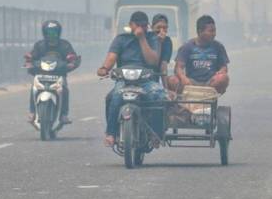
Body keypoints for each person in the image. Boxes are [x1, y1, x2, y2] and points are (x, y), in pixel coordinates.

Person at [97, 11, 165, 146]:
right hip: (124, 80)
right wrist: (104, 68)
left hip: (146, 81)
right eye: (137, 25)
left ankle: (155, 133)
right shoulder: (121, 39)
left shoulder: (152, 38)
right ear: (130, 25)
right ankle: (111, 133)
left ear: (148, 26)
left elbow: (152, 61)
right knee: (113, 97)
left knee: (158, 97)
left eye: (144, 25)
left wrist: (141, 39)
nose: (141, 28)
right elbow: (111, 58)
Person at [25, 20, 80, 128]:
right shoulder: (39, 45)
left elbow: (72, 56)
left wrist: (72, 62)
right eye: (49, 33)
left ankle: (64, 114)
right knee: (34, 88)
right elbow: (32, 57)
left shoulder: (65, 45)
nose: (52, 35)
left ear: (58, 33)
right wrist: (29, 62)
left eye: (54, 32)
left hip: (59, 74)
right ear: (45, 33)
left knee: (64, 89)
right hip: (41, 74)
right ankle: (32, 112)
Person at [169, 15, 229, 94]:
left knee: (223, 78)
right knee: (171, 80)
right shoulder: (187, 46)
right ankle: (182, 101)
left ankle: (208, 96)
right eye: (211, 31)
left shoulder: (218, 46)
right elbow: (178, 68)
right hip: (191, 83)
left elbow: (224, 66)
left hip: (210, 83)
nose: (214, 34)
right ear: (200, 31)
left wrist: (221, 71)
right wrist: (183, 78)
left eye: (214, 31)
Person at [151, 14, 173, 89]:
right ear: (152, 27)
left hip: (155, 79)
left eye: (164, 27)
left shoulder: (167, 41)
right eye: (158, 27)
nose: (161, 30)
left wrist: (165, 89)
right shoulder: (146, 39)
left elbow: (163, 65)